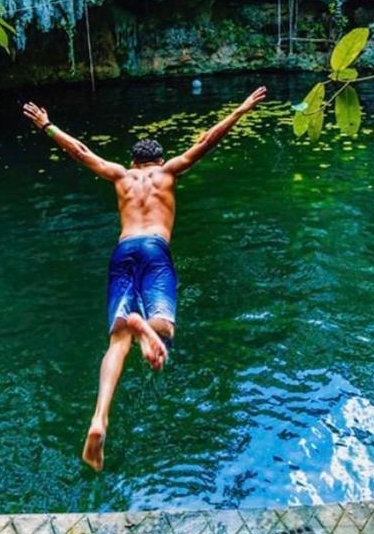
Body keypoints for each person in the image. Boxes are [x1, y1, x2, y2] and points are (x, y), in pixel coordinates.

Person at [21, 87, 268, 471]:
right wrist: (240, 110)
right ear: (158, 160)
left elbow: (82, 152)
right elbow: (207, 140)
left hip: (122, 252)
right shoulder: (169, 172)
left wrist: (47, 125)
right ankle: (145, 329)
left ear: (132, 162)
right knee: (164, 329)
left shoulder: (120, 176)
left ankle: (99, 419)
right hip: (155, 250)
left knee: (115, 342)